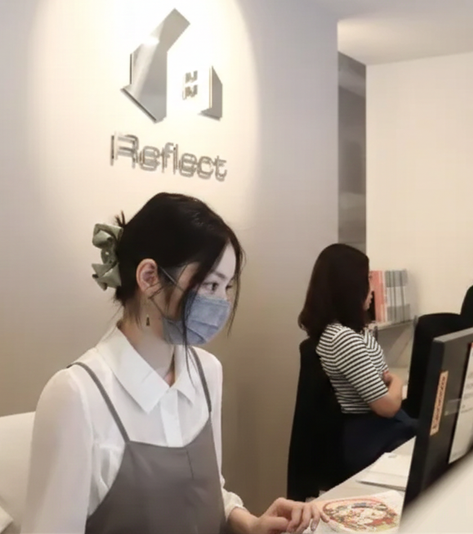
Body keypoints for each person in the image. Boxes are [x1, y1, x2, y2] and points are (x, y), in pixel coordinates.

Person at [22, 193, 325, 534]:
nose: (222, 303)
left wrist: (250, 523)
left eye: (226, 287)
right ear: (149, 277)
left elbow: (207, 493)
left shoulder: (207, 372)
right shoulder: (76, 395)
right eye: (209, 284)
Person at [298, 244, 416, 475]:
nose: (372, 289)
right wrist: (397, 381)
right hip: (370, 436)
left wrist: (389, 384)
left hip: (377, 430)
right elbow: (386, 406)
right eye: (367, 279)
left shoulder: (353, 331)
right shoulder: (342, 338)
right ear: (350, 286)